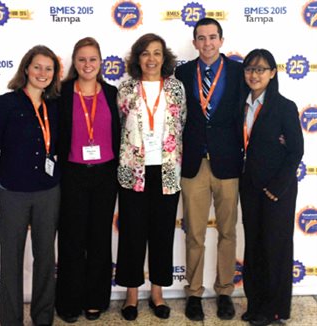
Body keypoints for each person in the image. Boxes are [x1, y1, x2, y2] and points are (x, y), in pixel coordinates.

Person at [0, 45, 61, 326]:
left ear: (54, 73)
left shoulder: (55, 105)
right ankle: (11, 321)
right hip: (11, 194)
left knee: (45, 260)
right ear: (26, 68)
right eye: (37, 67)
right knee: (11, 261)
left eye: (48, 68)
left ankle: (42, 319)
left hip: (48, 193)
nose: (42, 73)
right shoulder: (4, 104)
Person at [174, 17, 243, 321]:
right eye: (201, 38)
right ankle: (194, 293)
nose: (207, 43)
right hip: (194, 164)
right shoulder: (182, 72)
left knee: (228, 231)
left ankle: (225, 291)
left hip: (228, 163)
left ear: (221, 40)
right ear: (194, 42)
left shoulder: (241, 72)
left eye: (212, 37)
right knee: (195, 234)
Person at [115, 33, 186, 321]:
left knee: (162, 233)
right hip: (134, 172)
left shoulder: (176, 88)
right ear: (137, 58)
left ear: (164, 57)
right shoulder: (127, 88)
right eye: (145, 53)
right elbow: (121, 125)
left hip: (167, 172)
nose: (151, 59)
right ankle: (131, 295)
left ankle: (157, 293)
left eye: (157, 53)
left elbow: (181, 123)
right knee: (132, 234)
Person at [55, 37, 120, 323]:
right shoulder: (62, 93)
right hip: (73, 175)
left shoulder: (111, 92)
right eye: (81, 59)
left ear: (101, 62)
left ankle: (95, 299)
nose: (87, 64)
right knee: (71, 239)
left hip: (105, 174)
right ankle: (69, 301)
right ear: (74, 62)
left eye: (93, 59)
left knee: (99, 240)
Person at [239, 49, 303, 326]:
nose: (254, 75)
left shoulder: (284, 106)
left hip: (278, 189)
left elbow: (295, 152)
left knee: (275, 248)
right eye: (250, 69)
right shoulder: (240, 104)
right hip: (249, 186)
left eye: (261, 69)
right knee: (253, 247)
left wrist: (278, 186)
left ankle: (275, 309)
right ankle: (256, 304)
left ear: (272, 73)